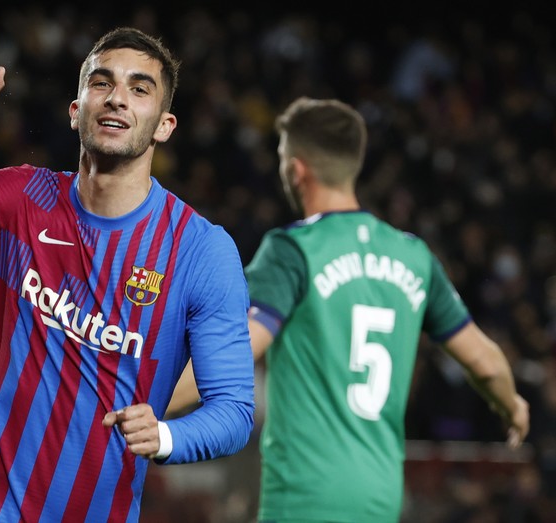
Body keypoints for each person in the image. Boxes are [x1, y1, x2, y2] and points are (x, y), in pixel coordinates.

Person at [0, 23, 255, 522]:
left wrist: (168, 435)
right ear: (76, 111)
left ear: (164, 125)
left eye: (139, 89)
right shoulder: (19, 198)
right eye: (101, 82)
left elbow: (234, 410)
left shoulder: (200, 251)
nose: (116, 99)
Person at [167, 96, 530, 522]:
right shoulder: (413, 256)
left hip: (304, 497)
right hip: (380, 499)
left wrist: (150, 405)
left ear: (297, 168)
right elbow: (485, 362)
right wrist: (513, 406)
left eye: (284, 157)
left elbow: (235, 354)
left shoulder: (293, 250)